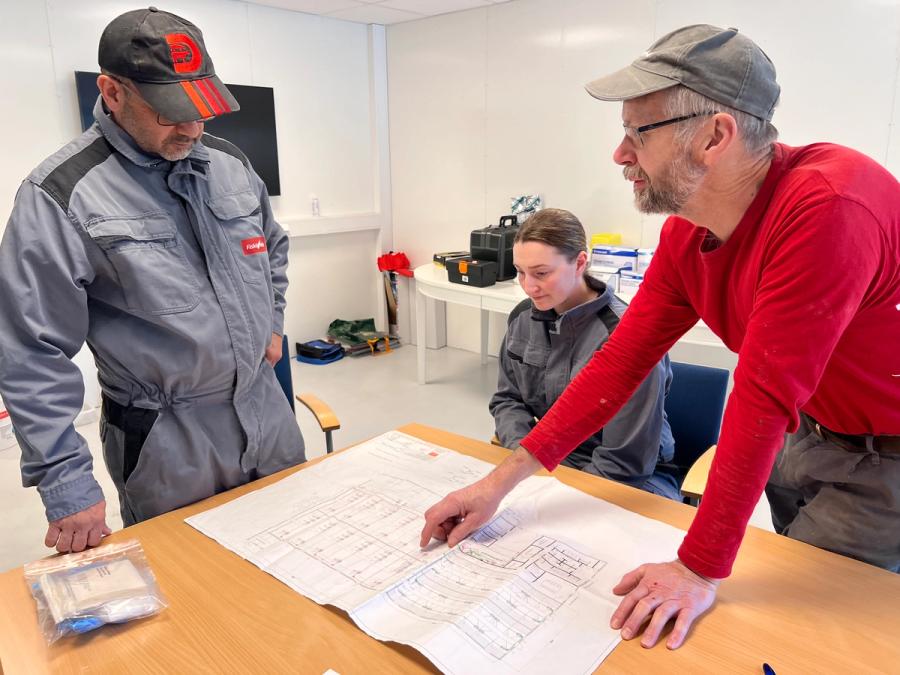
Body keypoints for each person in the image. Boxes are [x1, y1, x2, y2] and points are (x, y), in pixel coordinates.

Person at [421, 24, 900, 651]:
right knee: (774, 574)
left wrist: (698, 566)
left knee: (802, 629)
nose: (621, 155)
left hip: (883, 455)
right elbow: (617, 364)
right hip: (808, 430)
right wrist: (499, 483)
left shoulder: (830, 206)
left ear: (713, 136)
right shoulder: (689, 229)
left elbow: (761, 396)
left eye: (638, 134)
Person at [0, 7, 305, 554]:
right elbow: (29, 352)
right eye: (170, 112)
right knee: (194, 588)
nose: (192, 128)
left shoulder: (230, 163)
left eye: (201, 111)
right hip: (167, 439)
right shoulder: (62, 194)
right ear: (112, 93)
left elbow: (272, 248)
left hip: (266, 415)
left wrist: (273, 324)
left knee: (296, 556)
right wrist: (67, 482)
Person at [491, 207, 679, 500]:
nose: (528, 286)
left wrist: (550, 491)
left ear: (580, 263)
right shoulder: (522, 318)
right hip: (546, 461)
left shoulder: (627, 338)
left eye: (541, 273)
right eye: (520, 272)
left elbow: (624, 463)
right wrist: (521, 458)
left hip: (632, 480)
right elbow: (507, 400)